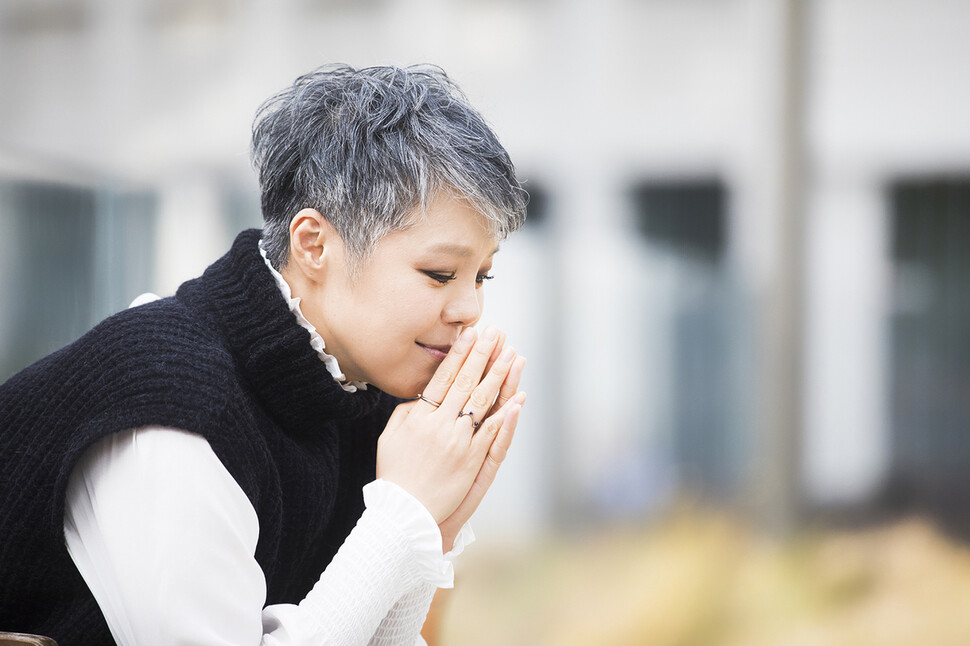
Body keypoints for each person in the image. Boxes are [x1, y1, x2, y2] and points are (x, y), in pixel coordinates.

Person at [0, 64, 528, 645]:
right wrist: (400, 519)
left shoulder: (367, 405)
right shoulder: (171, 401)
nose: (470, 309)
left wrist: (430, 532)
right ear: (314, 244)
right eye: (440, 273)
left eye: (481, 276)